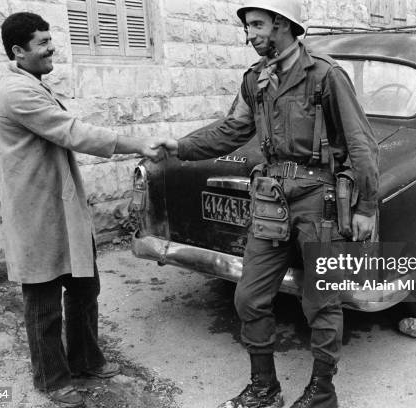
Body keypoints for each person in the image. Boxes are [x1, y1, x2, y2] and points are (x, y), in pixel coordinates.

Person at [147, 1, 379, 407]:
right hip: (272, 201)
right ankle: (264, 387)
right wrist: (180, 146)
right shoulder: (255, 79)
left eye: (257, 25)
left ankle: (322, 393)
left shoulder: (325, 75)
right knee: (249, 297)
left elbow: (361, 143)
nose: (249, 34)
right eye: (248, 26)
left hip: (318, 200)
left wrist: (366, 207)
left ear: (283, 24)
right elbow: (230, 130)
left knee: (322, 300)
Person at [0, 12, 156, 408]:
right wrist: (138, 144)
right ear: (18, 51)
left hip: (61, 209)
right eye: (43, 43)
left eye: (51, 40)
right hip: (37, 214)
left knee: (85, 288)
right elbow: (74, 132)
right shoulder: (17, 92)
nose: (53, 48)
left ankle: (85, 360)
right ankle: (51, 379)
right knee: (43, 302)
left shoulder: (32, 84)